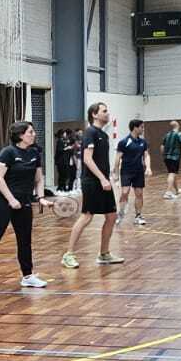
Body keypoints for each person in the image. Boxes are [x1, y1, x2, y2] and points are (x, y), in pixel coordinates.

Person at [0, 120, 46, 290]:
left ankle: (28, 276)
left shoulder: (34, 153)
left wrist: (40, 197)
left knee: (25, 240)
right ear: (20, 135)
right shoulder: (8, 153)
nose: (34, 134)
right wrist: (11, 199)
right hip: (3, 202)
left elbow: (38, 179)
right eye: (30, 132)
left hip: (24, 202)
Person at [62, 103, 122, 268]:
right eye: (104, 111)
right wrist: (102, 179)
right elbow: (87, 159)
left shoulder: (103, 135)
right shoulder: (90, 132)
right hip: (92, 181)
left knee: (111, 216)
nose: (107, 113)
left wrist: (108, 178)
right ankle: (68, 254)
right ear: (94, 114)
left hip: (104, 181)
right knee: (87, 216)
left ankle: (104, 254)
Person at [115, 118, 150, 226]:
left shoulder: (143, 142)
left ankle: (138, 216)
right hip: (126, 171)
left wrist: (148, 167)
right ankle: (121, 213)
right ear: (135, 128)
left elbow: (146, 155)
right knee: (125, 192)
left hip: (139, 171)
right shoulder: (124, 142)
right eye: (141, 127)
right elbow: (117, 159)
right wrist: (116, 174)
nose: (143, 129)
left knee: (139, 194)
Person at [159, 121, 181, 200]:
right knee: (172, 173)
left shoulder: (167, 135)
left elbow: (162, 147)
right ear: (178, 126)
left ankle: (177, 190)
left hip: (166, 157)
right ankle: (168, 192)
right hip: (175, 157)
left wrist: (164, 155)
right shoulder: (179, 134)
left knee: (173, 173)